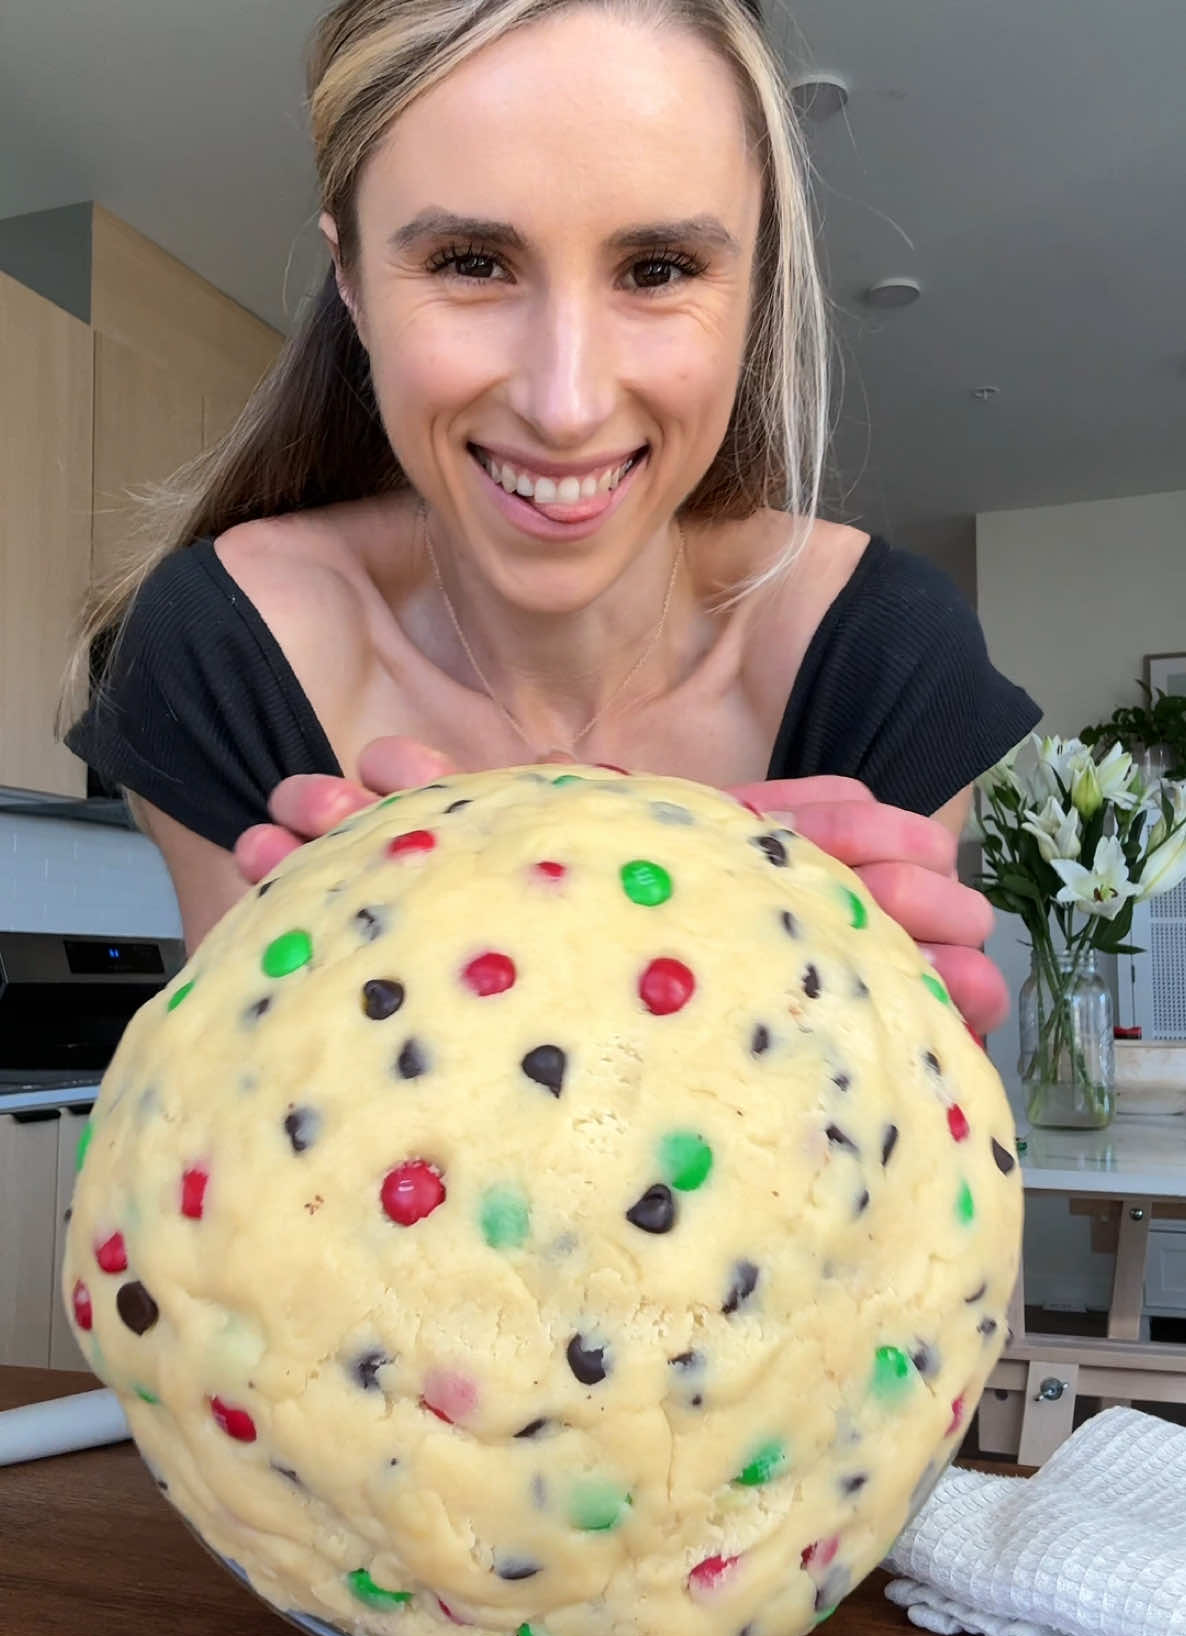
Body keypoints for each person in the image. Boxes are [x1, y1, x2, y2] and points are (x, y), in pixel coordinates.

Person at [64, 0, 1039, 1035]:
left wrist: (901, 1080)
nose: (565, 406)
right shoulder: (222, 651)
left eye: (657, 269)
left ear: (755, 283)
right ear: (348, 276)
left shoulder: (881, 660)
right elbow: (257, 1153)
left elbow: (877, 1167)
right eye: (470, 263)